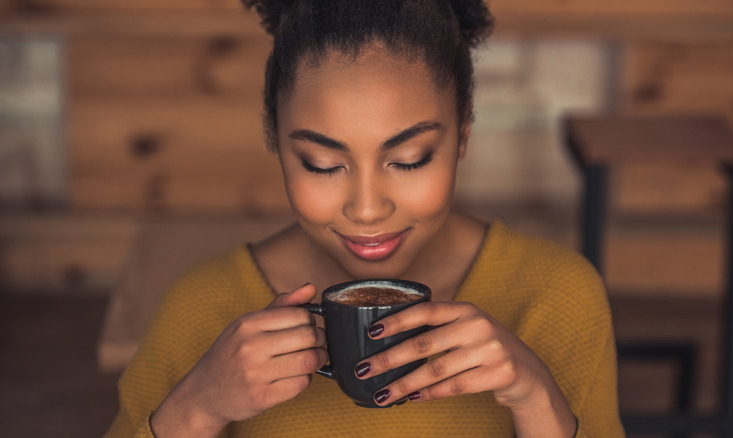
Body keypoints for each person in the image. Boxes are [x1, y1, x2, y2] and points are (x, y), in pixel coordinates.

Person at [105, 0, 624, 436]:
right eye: (323, 165)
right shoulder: (203, 307)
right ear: (274, 139)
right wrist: (197, 407)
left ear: (463, 134)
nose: (368, 209)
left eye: (411, 158)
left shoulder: (556, 294)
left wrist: (535, 395)